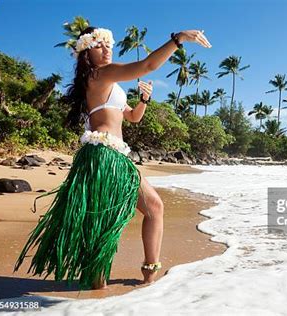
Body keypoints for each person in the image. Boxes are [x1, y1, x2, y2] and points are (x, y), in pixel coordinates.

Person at [13, 26, 212, 290]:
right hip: (104, 158)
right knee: (110, 220)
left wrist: (143, 100)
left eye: (109, 44)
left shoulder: (109, 83)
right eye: (99, 45)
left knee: (153, 208)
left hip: (114, 156)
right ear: (86, 52)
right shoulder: (99, 75)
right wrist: (178, 40)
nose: (107, 49)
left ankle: (149, 274)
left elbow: (133, 117)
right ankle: (99, 292)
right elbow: (149, 64)